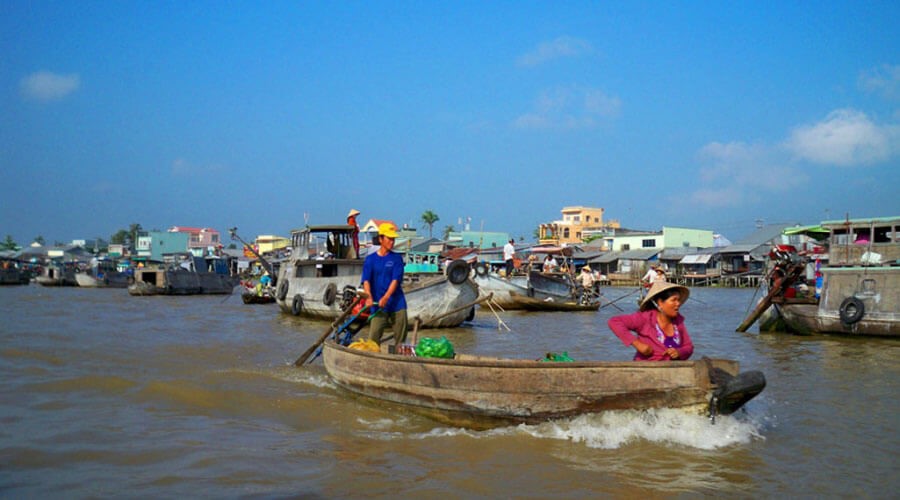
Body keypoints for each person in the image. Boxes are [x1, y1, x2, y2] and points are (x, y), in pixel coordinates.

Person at [607, 281, 694, 361]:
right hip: (646, 371)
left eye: (678, 300)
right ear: (660, 303)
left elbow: (688, 347)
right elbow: (614, 322)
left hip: (672, 371)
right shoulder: (645, 318)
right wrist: (638, 344)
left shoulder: (678, 321)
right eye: (674, 300)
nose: (678, 303)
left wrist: (679, 352)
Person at [362, 222, 408, 345]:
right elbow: (366, 280)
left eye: (393, 239)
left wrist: (386, 297)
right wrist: (369, 297)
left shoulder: (396, 259)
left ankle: (400, 360)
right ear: (381, 239)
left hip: (396, 304)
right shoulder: (370, 259)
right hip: (378, 305)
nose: (392, 242)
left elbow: (395, 280)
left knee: (401, 340)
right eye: (389, 239)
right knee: (373, 338)